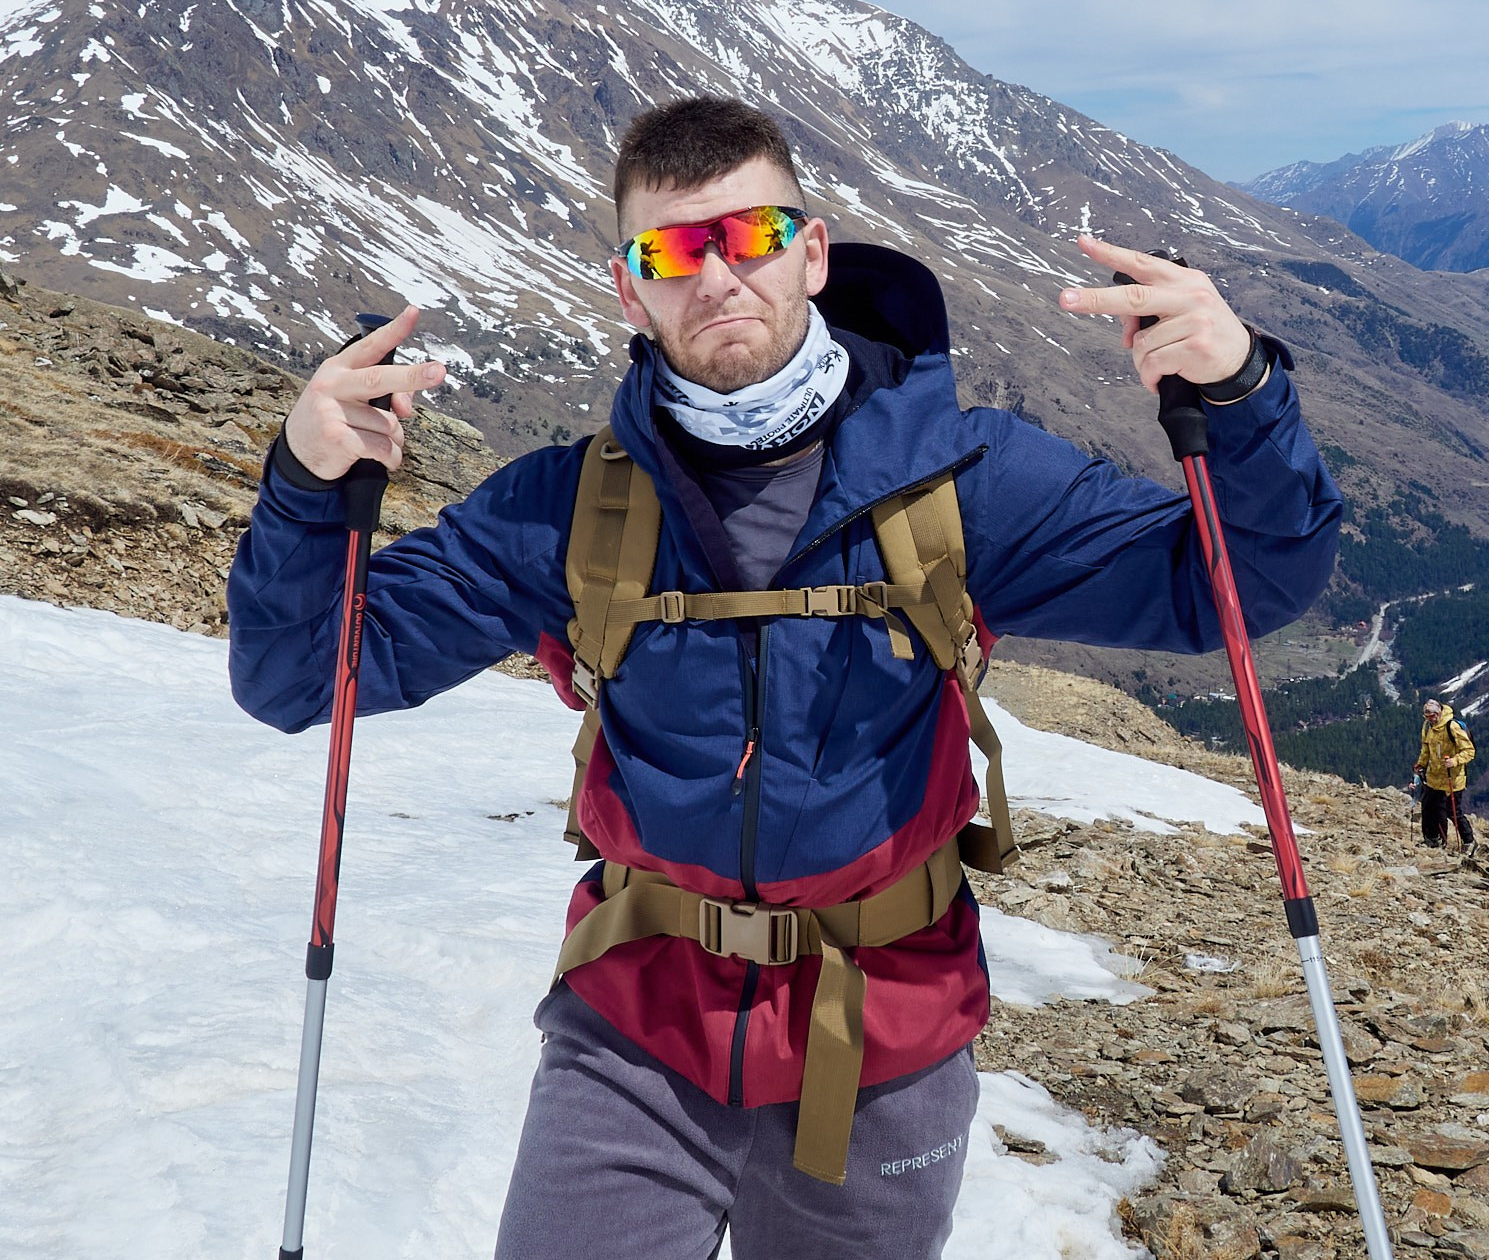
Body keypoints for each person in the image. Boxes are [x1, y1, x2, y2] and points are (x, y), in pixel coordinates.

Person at [227, 96, 1342, 1260]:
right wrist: (310, 489)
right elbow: (305, 675)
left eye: (750, 237)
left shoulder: (963, 480)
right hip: (634, 1040)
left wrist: (1240, 394)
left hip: (885, 1046)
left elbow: (1236, 583)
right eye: (669, 251)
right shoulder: (563, 509)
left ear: (811, 254)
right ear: (629, 289)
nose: (716, 278)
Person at [1413, 697, 1476, 851]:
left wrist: (1454, 761)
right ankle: (1433, 839)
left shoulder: (1451, 726)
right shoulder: (1428, 727)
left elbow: (1469, 751)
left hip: (1452, 778)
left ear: (1439, 713)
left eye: (1432, 716)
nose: (1430, 719)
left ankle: (1469, 841)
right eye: (1426, 716)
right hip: (1434, 777)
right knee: (1428, 807)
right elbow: (1426, 748)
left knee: (1452, 811)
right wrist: (1421, 763)